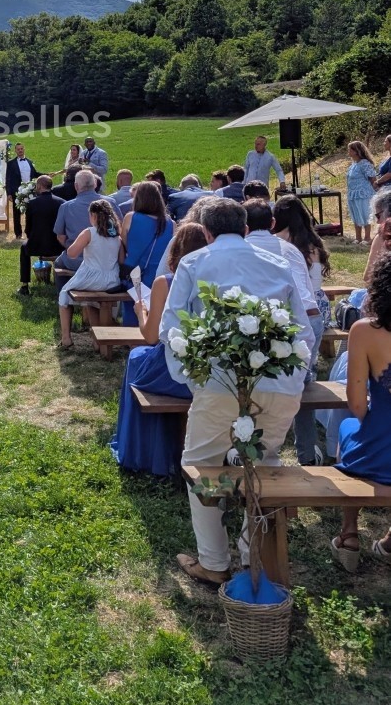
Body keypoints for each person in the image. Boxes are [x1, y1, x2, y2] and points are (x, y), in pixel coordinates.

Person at [160, 198, 313, 586]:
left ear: (207, 233)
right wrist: (293, 379)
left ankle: (214, 560)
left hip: (218, 382)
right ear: (245, 229)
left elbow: (173, 328)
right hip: (278, 381)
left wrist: (192, 380)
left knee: (200, 466)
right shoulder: (279, 264)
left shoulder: (195, 263)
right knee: (263, 464)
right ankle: (253, 554)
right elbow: (303, 332)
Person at [110, 223, 206, 476]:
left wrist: (141, 313)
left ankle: (142, 451)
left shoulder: (167, 282)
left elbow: (150, 336)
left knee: (135, 358)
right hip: (208, 366)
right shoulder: (217, 278)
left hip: (174, 367)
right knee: (139, 358)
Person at [331, 255, 391, 571]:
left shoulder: (365, 331)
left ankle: (349, 533)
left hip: (381, 450)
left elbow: (356, 404)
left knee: (348, 428)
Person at [272, 194, 332, 464]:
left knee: (294, 381)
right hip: (318, 309)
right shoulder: (312, 242)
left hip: (300, 311)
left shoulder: (283, 245)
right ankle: (307, 449)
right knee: (304, 379)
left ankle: (295, 442)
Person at [57, 199, 123, 349]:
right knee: (92, 302)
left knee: (64, 294)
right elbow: (121, 259)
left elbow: (72, 253)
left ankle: (66, 338)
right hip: (112, 279)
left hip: (91, 278)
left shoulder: (89, 232)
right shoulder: (116, 236)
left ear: (93, 215)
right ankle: (96, 341)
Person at [121, 181, 174, 292]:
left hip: (133, 273)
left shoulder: (130, 218)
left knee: (132, 306)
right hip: (158, 276)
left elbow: (125, 243)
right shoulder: (171, 224)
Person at [18, 176, 62, 296]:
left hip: (37, 245)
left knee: (23, 248)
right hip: (58, 246)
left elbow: (28, 228)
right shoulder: (61, 202)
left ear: (39, 186)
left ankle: (25, 285)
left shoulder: (32, 203)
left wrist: (32, 238)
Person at [53, 169, 100, 275]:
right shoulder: (110, 203)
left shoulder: (66, 207)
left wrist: (73, 248)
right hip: (105, 259)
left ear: (76, 186)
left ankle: (64, 291)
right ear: (95, 184)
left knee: (58, 264)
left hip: (75, 260)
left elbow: (60, 236)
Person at [5, 143, 40, 239]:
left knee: (30, 213)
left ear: (24, 149)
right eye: (18, 149)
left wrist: (47, 175)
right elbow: (8, 179)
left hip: (30, 191)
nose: (20, 150)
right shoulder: (11, 164)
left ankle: (29, 233)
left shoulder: (29, 162)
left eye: (21, 149)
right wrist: (9, 193)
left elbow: (35, 174)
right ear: (15, 151)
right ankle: (18, 234)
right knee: (16, 214)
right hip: (17, 191)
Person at [346, 141, 377, 244]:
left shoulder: (365, 163)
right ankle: (358, 237)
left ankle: (367, 237)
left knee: (364, 214)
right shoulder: (353, 164)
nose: (348, 151)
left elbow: (373, 178)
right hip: (353, 194)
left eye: (350, 149)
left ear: (356, 151)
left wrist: (377, 191)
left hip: (363, 194)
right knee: (355, 215)